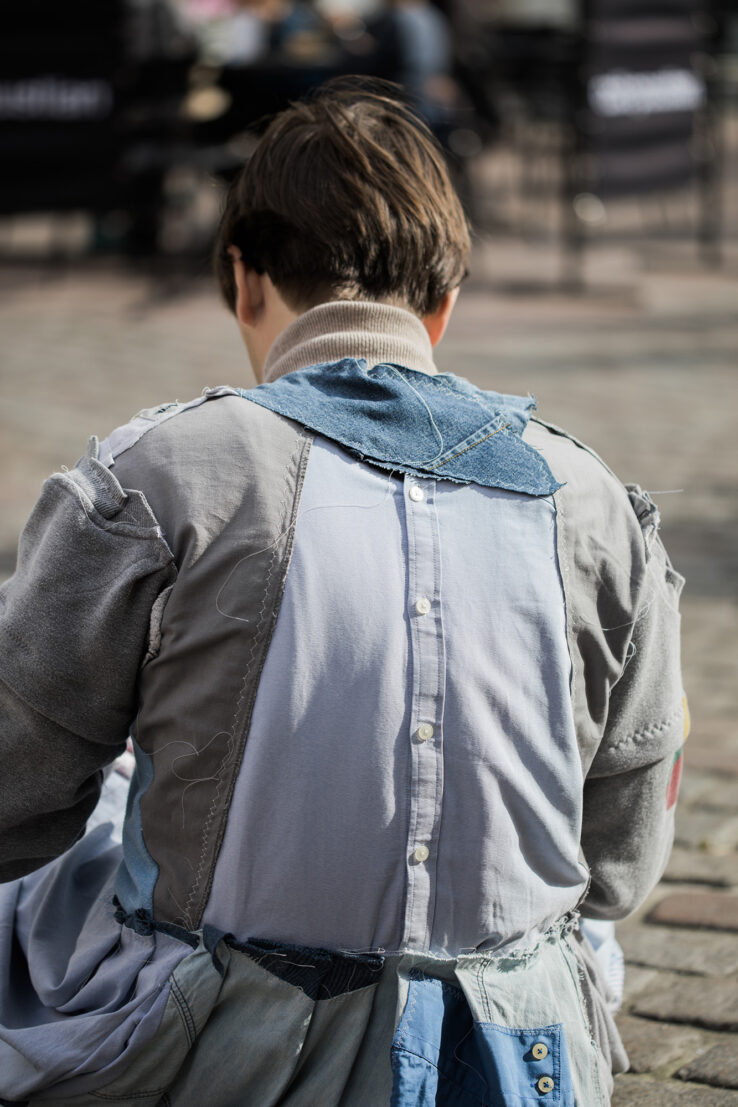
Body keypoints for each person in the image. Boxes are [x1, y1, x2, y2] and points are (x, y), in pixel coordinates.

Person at [0, 77, 686, 1106]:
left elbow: (16, 792)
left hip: (207, 1041)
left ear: (243, 278)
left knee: (80, 822)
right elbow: (620, 868)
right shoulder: (594, 503)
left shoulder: (157, 476)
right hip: (513, 1050)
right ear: (443, 306)